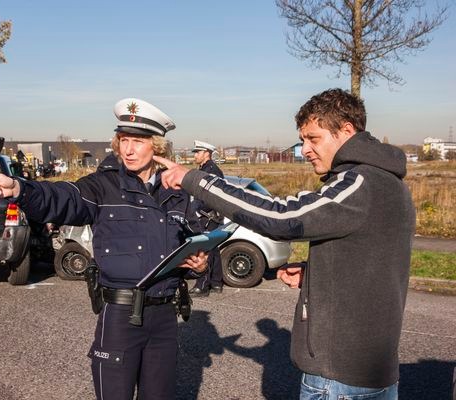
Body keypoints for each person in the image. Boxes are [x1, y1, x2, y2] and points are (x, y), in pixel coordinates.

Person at [156, 88, 415, 400]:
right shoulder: (391, 184)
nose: (304, 149)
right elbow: (373, 263)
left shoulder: (357, 185)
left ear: (346, 131)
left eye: (313, 138)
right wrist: (316, 274)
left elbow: (282, 217)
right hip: (374, 372)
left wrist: (196, 180)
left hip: (340, 379)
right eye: (303, 139)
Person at [0, 98, 207, 400]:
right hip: (120, 315)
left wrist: (199, 266)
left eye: (137, 142)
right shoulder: (102, 186)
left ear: (157, 146)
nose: (127, 149)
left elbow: (193, 242)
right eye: (123, 140)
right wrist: (21, 189)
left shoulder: (176, 193)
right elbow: (62, 197)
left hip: (165, 316)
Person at [188, 140, 225, 297]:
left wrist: (196, 211)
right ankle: (216, 283)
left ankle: (202, 286)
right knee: (213, 250)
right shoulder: (206, 169)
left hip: (208, 217)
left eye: (197, 152)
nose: (195, 155)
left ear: (206, 153)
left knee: (203, 251)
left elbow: (210, 197)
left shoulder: (211, 171)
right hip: (211, 217)